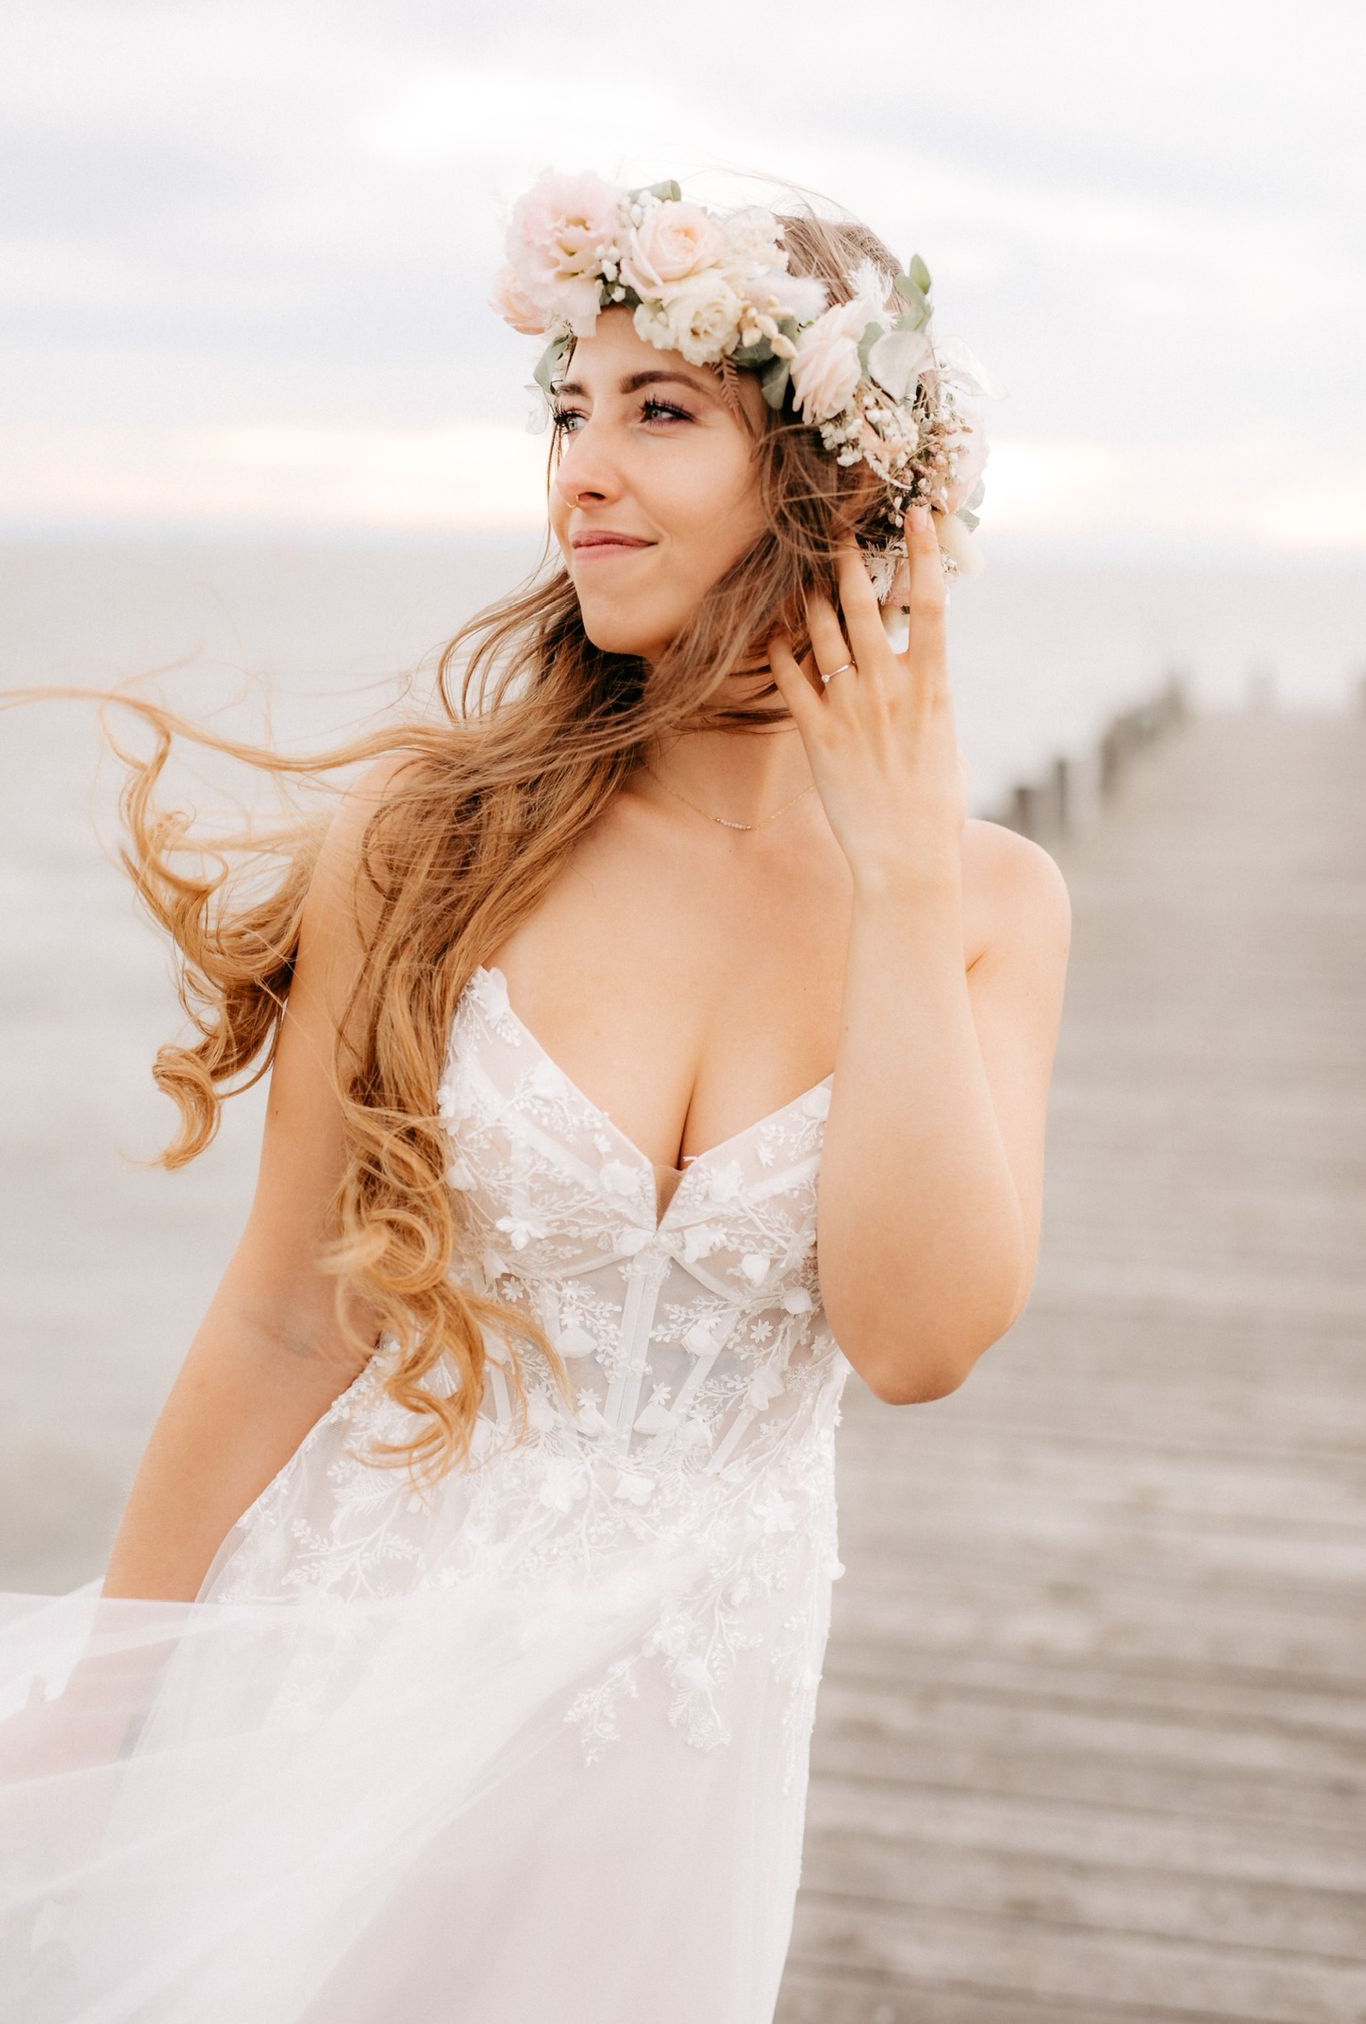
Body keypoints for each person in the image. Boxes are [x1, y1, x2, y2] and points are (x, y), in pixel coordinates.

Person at [0, 167, 1071, 2021]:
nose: (579, 466)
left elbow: (914, 1341)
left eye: (658, 412)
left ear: (833, 479)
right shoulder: (428, 849)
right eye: (566, 409)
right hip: (340, 1662)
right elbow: (281, 1312)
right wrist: (114, 1682)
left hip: (681, 1750)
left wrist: (894, 885)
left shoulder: (987, 906)